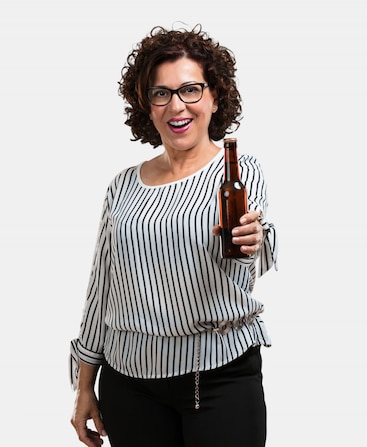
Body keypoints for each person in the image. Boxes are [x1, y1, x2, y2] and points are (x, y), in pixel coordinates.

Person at [69, 24, 277, 447]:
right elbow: (101, 288)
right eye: (161, 93)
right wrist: (84, 385)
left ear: (215, 96)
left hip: (217, 376)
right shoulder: (123, 185)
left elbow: (252, 251)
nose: (176, 105)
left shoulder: (238, 173)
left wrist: (255, 241)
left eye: (190, 90)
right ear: (146, 105)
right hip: (129, 383)